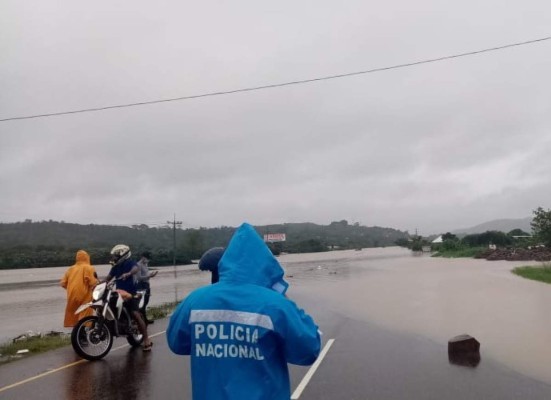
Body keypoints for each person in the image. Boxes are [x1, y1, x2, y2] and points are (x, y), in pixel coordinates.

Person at [167, 223, 321, 400]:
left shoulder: (195, 300)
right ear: (264, 263)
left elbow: (177, 343)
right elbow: (309, 349)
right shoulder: (275, 304)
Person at [103, 244, 153, 351]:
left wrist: (129, 273)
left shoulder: (130, 263)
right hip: (119, 293)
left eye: (116, 256)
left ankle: (146, 340)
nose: (114, 258)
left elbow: (136, 268)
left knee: (135, 314)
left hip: (131, 294)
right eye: (114, 256)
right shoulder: (115, 267)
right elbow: (107, 279)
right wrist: (98, 283)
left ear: (123, 255)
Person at [60, 250, 99, 327]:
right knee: (85, 314)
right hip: (84, 294)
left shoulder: (70, 269)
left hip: (71, 295)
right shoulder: (89, 268)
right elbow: (93, 283)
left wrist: (71, 288)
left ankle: (75, 332)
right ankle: (84, 331)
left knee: (74, 315)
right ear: (87, 258)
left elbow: (63, 283)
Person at [135, 251, 158, 324]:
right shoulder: (138, 265)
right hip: (141, 285)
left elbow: (145, 275)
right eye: (147, 258)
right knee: (142, 303)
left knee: (146, 302)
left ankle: (144, 319)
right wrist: (149, 276)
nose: (147, 259)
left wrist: (151, 275)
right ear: (142, 257)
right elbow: (139, 278)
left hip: (146, 284)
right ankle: (143, 320)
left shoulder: (145, 264)